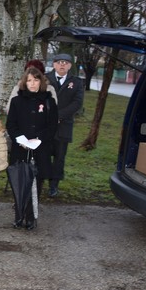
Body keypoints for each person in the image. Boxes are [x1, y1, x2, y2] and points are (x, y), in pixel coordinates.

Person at [6, 66, 58, 230]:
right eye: (29, 80)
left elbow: (52, 126)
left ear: (41, 82)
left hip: (40, 149)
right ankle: (19, 215)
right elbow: (11, 124)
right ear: (25, 82)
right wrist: (20, 139)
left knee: (35, 184)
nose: (33, 84)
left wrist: (39, 139)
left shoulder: (49, 101)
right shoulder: (17, 101)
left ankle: (30, 216)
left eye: (36, 80)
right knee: (19, 181)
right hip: (20, 148)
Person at [46, 53, 84, 197]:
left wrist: (59, 116)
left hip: (64, 125)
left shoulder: (77, 82)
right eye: (59, 62)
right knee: (43, 154)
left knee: (59, 157)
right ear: (54, 64)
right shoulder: (44, 79)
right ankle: (39, 180)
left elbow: (77, 103)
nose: (62, 65)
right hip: (45, 124)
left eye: (66, 62)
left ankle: (54, 185)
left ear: (70, 66)